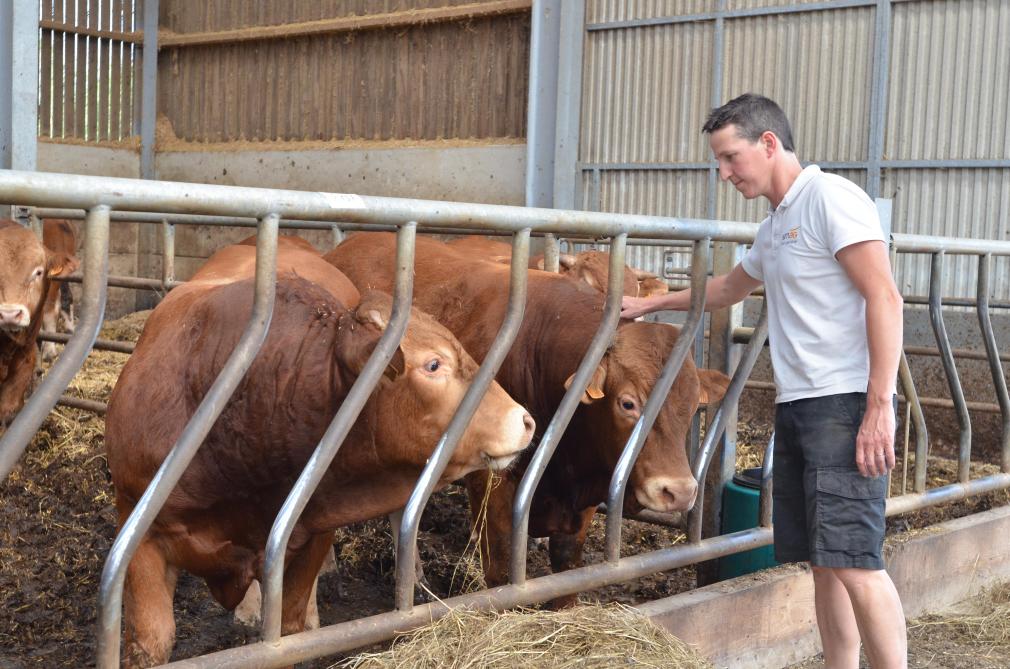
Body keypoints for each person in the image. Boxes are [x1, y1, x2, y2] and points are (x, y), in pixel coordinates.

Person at [621, 93, 907, 668]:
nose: (723, 172)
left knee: (856, 560)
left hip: (844, 404)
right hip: (800, 405)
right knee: (825, 562)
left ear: (769, 144)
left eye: (730, 157)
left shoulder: (830, 199)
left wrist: (881, 405)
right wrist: (646, 305)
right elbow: (730, 288)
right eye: (719, 161)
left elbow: (885, 294)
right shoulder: (777, 223)